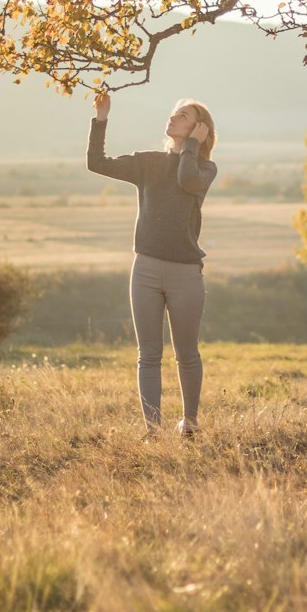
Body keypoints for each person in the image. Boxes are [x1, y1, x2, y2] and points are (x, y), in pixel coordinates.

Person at [87, 92, 218, 439]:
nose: (173, 117)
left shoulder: (205, 168)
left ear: (200, 129)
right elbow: (97, 163)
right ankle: (153, 429)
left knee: (186, 353)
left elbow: (186, 179)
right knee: (148, 355)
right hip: (144, 269)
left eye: (184, 115)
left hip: (185, 273)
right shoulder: (148, 162)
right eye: (174, 113)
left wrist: (191, 146)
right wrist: (101, 119)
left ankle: (190, 424)